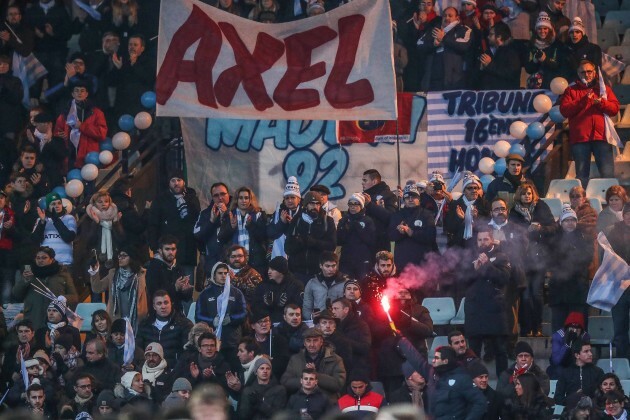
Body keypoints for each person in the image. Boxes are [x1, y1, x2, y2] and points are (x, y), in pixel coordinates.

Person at [559, 59, 619, 188]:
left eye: (589, 71)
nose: (586, 74)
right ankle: (581, 204)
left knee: (607, 174)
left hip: (602, 137)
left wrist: (601, 103)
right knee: (581, 176)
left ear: (595, 73)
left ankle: (611, 203)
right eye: (583, 72)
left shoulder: (603, 89)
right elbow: (564, 111)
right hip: (580, 139)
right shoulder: (570, 90)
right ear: (578, 73)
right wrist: (583, 100)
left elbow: (614, 109)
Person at [509, 181, 556, 337]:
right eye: (523, 193)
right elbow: (512, 233)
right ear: (519, 195)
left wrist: (540, 229)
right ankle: (527, 328)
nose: (527, 196)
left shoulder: (542, 206)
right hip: (523, 259)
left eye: (529, 193)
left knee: (537, 294)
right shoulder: (514, 212)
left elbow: (554, 228)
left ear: (533, 193)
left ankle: (538, 327)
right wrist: (526, 231)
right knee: (526, 295)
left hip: (539, 257)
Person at [397, 340, 487, 419]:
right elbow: (416, 359)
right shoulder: (432, 373)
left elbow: (480, 402)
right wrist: (401, 340)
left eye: (436, 358)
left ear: (445, 361)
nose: (433, 361)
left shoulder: (461, 378)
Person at [464, 227, 511, 377]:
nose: (482, 242)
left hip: (494, 310)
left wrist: (488, 266)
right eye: (479, 240)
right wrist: (474, 270)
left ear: (492, 240)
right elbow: (460, 280)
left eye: (485, 239)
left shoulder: (501, 257)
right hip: (475, 310)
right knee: (473, 352)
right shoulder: (469, 256)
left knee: (500, 351)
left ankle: (503, 386)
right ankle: (473, 383)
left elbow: (504, 278)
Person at [148, 170, 201, 288]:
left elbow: (197, 223)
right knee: (167, 289)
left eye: (179, 180)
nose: (176, 183)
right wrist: (155, 247)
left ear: (184, 182)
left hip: (188, 252)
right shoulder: (160, 200)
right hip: (167, 254)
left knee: (186, 289)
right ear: (169, 183)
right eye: (173, 180)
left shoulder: (192, 200)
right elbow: (152, 225)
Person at [548, 205, 593, 331]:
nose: (570, 223)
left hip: (578, 292)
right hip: (558, 293)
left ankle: (579, 351)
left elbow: (587, 258)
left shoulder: (585, 238)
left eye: (572, 220)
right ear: (561, 222)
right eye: (567, 220)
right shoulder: (553, 239)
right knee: (559, 330)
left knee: (578, 329)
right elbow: (549, 260)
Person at [89, 246, 148, 330]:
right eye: (119, 256)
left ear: (131, 257)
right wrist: (95, 271)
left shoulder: (141, 274)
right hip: (116, 317)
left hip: (137, 318)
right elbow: (97, 288)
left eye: (124, 256)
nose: (120, 258)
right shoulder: (113, 273)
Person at [281, 327, 347, 401]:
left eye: (315, 340)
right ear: (304, 343)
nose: (311, 344)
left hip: (327, 403)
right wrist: (305, 380)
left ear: (321, 342)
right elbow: (285, 382)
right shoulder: (295, 359)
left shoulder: (335, 359)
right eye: (308, 341)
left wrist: (316, 375)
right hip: (302, 402)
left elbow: (338, 384)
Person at [285, 191, 337, 284]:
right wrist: (299, 243)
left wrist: (314, 243)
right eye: (312, 204)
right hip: (297, 273)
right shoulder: (297, 220)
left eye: (318, 204)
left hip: (319, 273)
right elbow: (287, 248)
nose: (315, 207)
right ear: (306, 205)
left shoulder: (327, 221)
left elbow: (332, 246)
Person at [195, 262, 247, 356]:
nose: (223, 276)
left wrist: (231, 319)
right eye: (220, 273)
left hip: (232, 340)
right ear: (214, 275)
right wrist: (212, 321)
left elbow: (244, 313)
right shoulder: (205, 294)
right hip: (211, 341)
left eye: (225, 273)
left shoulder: (236, 293)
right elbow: (198, 316)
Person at [53, 81, 107, 168]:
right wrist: (61, 136)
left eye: (82, 91)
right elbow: (56, 134)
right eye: (76, 91)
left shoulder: (97, 113)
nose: (79, 93)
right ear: (72, 94)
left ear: (86, 94)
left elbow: (102, 133)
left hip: (89, 156)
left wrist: (82, 126)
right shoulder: (65, 114)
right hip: (70, 156)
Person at [218, 186, 268, 276]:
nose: (243, 200)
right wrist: (231, 227)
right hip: (233, 262)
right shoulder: (229, 215)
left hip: (255, 263)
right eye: (241, 198)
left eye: (246, 198)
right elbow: (221, 238)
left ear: (250, 200)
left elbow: (263, 237)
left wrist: (251, 226)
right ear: (236, 200)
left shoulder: (259, 215)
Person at [421, 7, 473, 91]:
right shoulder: (434, 30)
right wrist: (433, 44)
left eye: (450, 15)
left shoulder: (464, 30)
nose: (447, 18)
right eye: (444, 15)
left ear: (457, 18)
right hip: (433, 79)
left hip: (454, 80)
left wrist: (443, 38)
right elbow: (419, 44)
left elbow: (464, 45)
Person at [136, 290, 193, 367]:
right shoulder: (145, 325)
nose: (163, 306)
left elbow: (188, 350)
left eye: (166, 302)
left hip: (174, 369)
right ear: (154, 306)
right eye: (159, 303)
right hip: (149, 368)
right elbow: (138, 349)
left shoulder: (184, 324)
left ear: (171, 304)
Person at [388, 183, 437, 270]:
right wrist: (399, 232)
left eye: (413, 197)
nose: (410, 199)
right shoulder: (397, 215)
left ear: (419, 199)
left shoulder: (426, 214)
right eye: (407, 197)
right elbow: (391, 236)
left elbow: (431, 236)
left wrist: (412, 232)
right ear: (404, 199)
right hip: (402, 264)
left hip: (423, 264)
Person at [110, 34, 156, 119]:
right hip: (124, 105)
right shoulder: (122, 61)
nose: (132, 47)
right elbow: (112, 82)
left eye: (135, 45)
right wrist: (118, 69)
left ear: (142, 48)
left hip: (140, 104)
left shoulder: (149, 61)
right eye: (130, 44)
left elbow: (149, 79)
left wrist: (134, 64)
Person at [145, 235, 193, 314]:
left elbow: (185, 298)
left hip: (177, 313)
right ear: (160, 251)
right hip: (158, 314)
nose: (170, 252)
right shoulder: (153, 267)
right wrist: (175, 287)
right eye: (167, 249)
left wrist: (186, 290)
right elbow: (154, 293)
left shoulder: (178, 267)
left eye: (173, 249)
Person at [194, 181, 231, 278]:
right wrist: (211, 222)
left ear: (228, 194)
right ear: (212, 197)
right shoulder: (205, 214)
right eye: (216, 195)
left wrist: (226, 216)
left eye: (223, 194)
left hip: (233, 262)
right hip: (212, 262)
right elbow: (197, 235)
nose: (220, 198)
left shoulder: (236, 211)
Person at [82, 190, 125, 273]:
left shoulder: (114, 218)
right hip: (96, 261)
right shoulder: (88, 219)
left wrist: (116, 223)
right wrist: (96, 223)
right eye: (99, 202)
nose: (103, 204)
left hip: (114, 260)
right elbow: (88, 241)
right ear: (94, 204)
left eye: (106, 201)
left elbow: (122, 239)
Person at [555, 340, 605, 410]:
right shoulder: (566, 373)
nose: (590, 354)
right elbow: (558, 397)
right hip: (571, 410)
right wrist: (573, 398)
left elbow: (603, 394)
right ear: (577, 355)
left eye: (590, 351)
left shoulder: (598, 371)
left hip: (593, 410)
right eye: (586, 351)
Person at [253, 256, 304, 324]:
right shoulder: (263, 285)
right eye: (269, 269)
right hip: (268, 323)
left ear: (281, 271)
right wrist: (267, 305)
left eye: (273, 269)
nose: (269, 272)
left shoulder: (295, 285)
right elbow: (256, 306)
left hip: (288, 323)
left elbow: (299, 306)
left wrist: (286, 305)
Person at [608, 203, 630, 359]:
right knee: (620, 328)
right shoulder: (613, 231)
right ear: (623, 215)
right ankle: (623, 362)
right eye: (627, 213)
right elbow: (608, 258)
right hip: (619, 286)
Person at [337, 192, 376, 280]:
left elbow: (371, 241)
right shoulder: (344, 220)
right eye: (350, 204)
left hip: (362, 261)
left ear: (361, 205)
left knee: (363, 285)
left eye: (356, 204)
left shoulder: (368, 221)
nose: (353, 206)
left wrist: (358, 227)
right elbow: (338, 240)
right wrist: (345, 229)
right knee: (345, 285)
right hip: (346, 261)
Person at [445, 172, 490, 248]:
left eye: (476, 188)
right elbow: (450, 228)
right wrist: (460, 219)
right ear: (464, 190)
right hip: (459, 246)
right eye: (470, 188)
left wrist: (476, 217)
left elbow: (489, 226)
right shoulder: (456, 205)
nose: (474, 190)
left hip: (478, 246)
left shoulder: (484, 204)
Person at [32, 193, 77, 266]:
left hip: (65, 263)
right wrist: (42, 222)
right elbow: (35, 240)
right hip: (46, 263)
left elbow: (69, 237)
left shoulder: (69, 218)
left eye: (59, 203)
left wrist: (55, 219)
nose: (57, 205)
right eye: (53, 204)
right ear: (48, 207)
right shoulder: (40, 220)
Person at [524, 12, 567, 90]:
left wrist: (545, 60)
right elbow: (528, 69)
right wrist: (534, 60)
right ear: (536, 30)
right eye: (539, 28)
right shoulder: (531, 45)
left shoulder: (557, 44)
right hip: (535, 86)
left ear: (549, 29)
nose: (542, 31)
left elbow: (559, 66)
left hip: (553, 85)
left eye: (545, 28)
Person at [303, 251, 349, 321]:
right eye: (327, 266)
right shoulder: (312, 283)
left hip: (340, 323)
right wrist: (311, 317)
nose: (331, 269)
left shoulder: (345, 282)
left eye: (333, 266)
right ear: (320, 266)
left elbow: (349, 305)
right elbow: (307, 306)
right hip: (318, 323)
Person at [361, 169, 398, 252]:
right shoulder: (362, 196)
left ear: (374, 181)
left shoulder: (389, 196)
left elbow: (390, 217)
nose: (362, 183)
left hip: (381, 241)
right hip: (363, 241)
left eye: (365, 180)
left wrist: (370, 205)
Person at [478, 22, 522, 91]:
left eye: (491, 34)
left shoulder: (511, 52)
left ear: (499, 37)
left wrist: (489, 64)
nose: (488, 37)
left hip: (505, 96)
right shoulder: (490, 51)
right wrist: (481, 68)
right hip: (489, 94)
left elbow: (511, 74)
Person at [247, 310, 290, 379]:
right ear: (252, 326)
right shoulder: (247, 341)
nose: (264, 324)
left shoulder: (279, 340)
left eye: (267, 321)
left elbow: (284, 360)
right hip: (252, 376)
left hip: (274, 376)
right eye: (260, 322)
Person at [548, 312, 591, 380]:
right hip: (561, 364)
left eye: (578, 328)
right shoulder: (558, 336)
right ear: (567, 327)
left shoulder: (585, 336)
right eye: (572, 327)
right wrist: (567, 344)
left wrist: (577, 342)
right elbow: (556, 360)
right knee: (556, 371)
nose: (575, 330)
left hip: (577, 363)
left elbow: (585, 358)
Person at [0, 320, 44, 386]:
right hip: (14, 387)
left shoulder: (39, 349)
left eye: (26, 331)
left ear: (33, 333)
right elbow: (6, 375)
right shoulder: (11, 350)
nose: (23, 334)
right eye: (20, 331)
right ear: (17, 334)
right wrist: (18, 363)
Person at [331, 297, 371, 368]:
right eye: (332, 309)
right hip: (336, 366)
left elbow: (365, 348)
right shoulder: (332, 325)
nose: (333, 311)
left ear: (346, 310)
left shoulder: (360, 325)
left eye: (336, 309)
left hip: (355, 366)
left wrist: (342, 340)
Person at [267, 176, 301, 259]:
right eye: (287, 198)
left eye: (292, 197)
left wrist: (293, 224)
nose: (289, 200)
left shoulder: (304, 212)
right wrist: (282, 223)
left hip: (300, 254)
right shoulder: (279, 212)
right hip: (281, 254)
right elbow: (270, 233)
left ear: (299, 199)